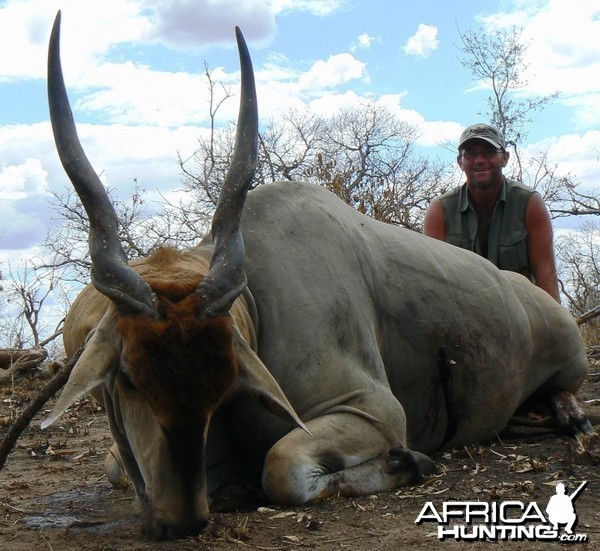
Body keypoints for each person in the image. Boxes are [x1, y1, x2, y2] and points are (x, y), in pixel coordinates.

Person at [423, 123, 560, 302]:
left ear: (505, 158)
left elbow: (545, 272)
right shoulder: (440, 209)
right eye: (470, 153)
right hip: (462, 315)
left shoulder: (529, 202)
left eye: (488, 152)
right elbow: (432, 279)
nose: (479, 160)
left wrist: (554, 324)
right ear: (460, 162)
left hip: (521, 314)